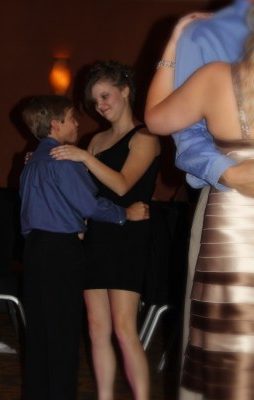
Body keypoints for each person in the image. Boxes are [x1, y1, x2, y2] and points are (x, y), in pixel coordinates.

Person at [145, 11, 254, 399]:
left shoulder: (216, 78)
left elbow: (156, 119)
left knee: (227, 352)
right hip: (232, 224)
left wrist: (175, 42)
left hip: (235, 225)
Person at [19, 95, 150, 400]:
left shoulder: (31, 162)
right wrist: (126, 213)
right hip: (60, 251)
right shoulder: (64, 160)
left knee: (39, 333)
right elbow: (89, 204)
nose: (78, 124)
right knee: (63, 335)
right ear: (56, 124)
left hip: (34, 249)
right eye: (72, 118)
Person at [50, 61, 160, 400]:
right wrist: (45, 162)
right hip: (97, 235)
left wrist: (83, 157)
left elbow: (123, 184)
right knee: (97, 329)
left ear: (125, 91)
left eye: (105, 96)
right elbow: (83, 191)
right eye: (96, 100)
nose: (100, 105)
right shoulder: (96, 140)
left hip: (129, 236)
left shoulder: (145, 137)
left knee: (125, 329)